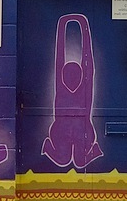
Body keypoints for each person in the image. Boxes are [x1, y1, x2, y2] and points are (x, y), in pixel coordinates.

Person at [41, 14, 103, 168]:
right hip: (61, 129)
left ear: (81, 74)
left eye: (75, 75)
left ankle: (95, 150)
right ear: (63, 74)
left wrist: (83, 24)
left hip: (82, 127)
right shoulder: (61, 86)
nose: (72, 79)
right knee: (63, 159)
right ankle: (47, 146)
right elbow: (59, 58)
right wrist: (63, 24)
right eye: (68, 75)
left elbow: (88, 62)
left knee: (80, 161)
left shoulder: (85, 86)